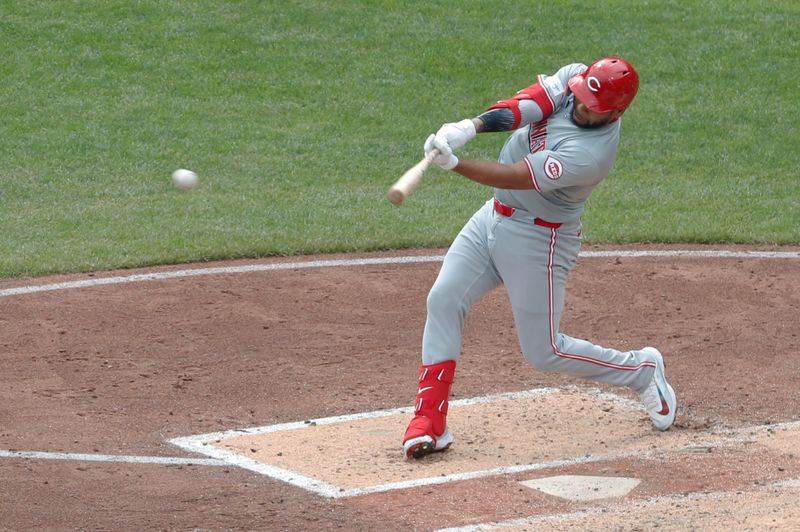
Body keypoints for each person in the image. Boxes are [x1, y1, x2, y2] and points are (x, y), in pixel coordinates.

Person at [402, 57, 677, 460]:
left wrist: (456, 164)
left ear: (618, 112)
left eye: (592, 106)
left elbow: (515, 175)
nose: (580, 106)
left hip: (539, 239)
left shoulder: (591, 155)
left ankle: (642, 372)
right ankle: (430, 421)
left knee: (544, 351)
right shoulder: (575, 79)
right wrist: (470, 127)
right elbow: (526, 105)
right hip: (492, 218)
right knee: (443, 298)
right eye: (581, 97)